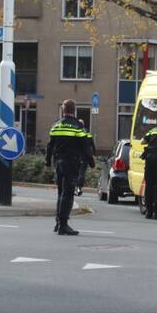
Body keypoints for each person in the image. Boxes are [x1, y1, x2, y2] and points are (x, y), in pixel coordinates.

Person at [45, 100, 89, 236]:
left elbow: (49, 146)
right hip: (71, 164)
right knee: (68, 194)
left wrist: (47, 161)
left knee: (60, 193)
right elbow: (85, 146)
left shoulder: (55, 126)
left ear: (63, 110)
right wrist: (91, 162)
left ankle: (58, 222)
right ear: (74, 110)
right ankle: (63, 225)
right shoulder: (77, 127)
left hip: (58, 163)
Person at [74, 119, 96, 196]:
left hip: (76, 157)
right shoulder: (88, 133)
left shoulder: (74, 133)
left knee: (76, 173)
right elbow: (91, 146)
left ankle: (76, 188)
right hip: (85, 157)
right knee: (81, 173)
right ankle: (78, 188)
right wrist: (92, 158)